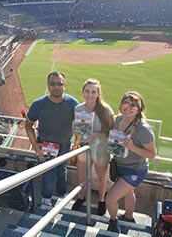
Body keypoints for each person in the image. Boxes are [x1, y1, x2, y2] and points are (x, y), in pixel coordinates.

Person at [105, 91, 156, 233]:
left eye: (133, 105)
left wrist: (132, 147)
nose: (128, 107)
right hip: (120, 166)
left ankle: (114, 222)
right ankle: (128, 217)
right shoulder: (118, 119)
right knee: (128, 193)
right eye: (125, 103)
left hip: (135, 170)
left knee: (110, 199)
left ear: (139, 109)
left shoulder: (143, 129)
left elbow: (152, 154)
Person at [25, 72, 79, 206]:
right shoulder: (38, 104)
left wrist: (76, 145)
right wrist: (36, 147)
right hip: (45, 146)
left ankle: (62, 192)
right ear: (47, 85)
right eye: (52, 84)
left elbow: (81, 127)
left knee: (62, 171)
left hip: (65, 145)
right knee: (48, 173)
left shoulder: (73, 103)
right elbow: (28, 126)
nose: (56, 87)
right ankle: (46, 197)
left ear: (65, 85)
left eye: (59, 84)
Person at [71, 79, 114, 215]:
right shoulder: (78, 108)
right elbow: (78, 132)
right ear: (83, 92)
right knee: (81, 177)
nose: (90, 95)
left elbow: (111, 133)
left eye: (93, 92)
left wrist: (95, 134)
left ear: (98, 93)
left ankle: (101, 200)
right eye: (87, 91)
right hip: (84, 146)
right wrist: (75, 135)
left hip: (101, 148)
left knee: (101, 177)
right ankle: (81, 197)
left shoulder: (105, 109)